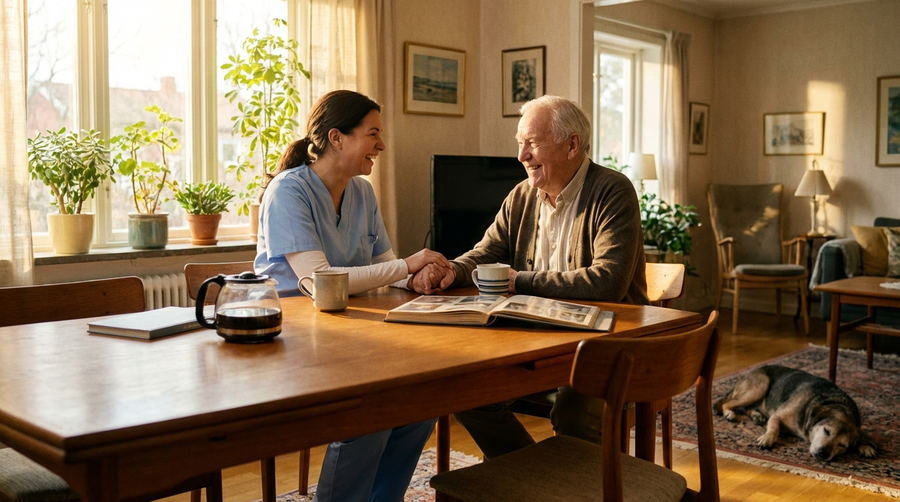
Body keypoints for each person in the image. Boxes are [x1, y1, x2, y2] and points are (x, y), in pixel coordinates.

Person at [409, 94, 649, 460]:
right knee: (464, 390)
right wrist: (449, 270)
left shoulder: (613, 191)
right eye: (520, 144)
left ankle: (579, 491)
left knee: (574, 412)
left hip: (605, 345)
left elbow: (608, 282)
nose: (522, 156)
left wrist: (518, 281)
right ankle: (529, 479)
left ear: (572, 145)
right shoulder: (522, 195)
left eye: (532, 144)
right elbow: (485, 252)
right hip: (533, 340)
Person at [255, 89, 447, 501]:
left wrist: (418, 278)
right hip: (290, 342)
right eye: (372, 133)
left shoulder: (361, 193)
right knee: (373, 411)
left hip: (349, 336)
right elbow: (320, 282)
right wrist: (406, 267)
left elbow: (387, 266)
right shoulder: (289, 192)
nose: (381, 145)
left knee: (420, 403)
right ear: (336, 138)